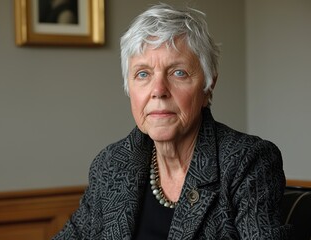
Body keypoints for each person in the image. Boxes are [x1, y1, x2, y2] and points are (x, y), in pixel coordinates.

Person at [53, 3, 290, 239]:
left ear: (208, 87)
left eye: (178, 72)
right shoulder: (111, 165)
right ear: (129, 89)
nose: (158, 90)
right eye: (143, 74)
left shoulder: (247, 163)